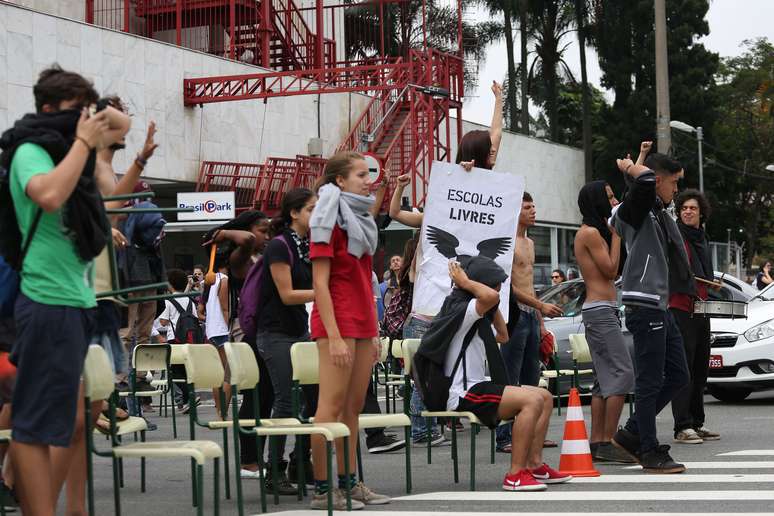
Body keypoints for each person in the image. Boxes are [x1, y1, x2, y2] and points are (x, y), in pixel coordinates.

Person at [3, 65, 129, 516]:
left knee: (72, 423)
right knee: (34, 426)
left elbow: (122, 124)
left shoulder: (69, 151)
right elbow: (49, 196)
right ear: (48, 109)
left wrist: (95, 120)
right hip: (47, 300)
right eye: (76, 110)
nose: (86, 119)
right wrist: (81, 140)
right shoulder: (30, 150)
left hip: (73, 305)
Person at [385, 81, 506, 445]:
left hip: (458, 303)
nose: (496, 154)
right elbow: (396, 214)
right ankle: (423, 428)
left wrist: (499, 101)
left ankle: (442, 422)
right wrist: (399, 187)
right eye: (490, 152)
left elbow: (495, 136)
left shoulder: (486, 190)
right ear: (479, 155)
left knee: (446, 364)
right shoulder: (443, 199)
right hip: (432, 304)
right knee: (428, 367)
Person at [417, 257, 571, 491]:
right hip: (462, 393)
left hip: (478, 386)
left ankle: (534, 464)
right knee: (531, 401)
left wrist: (492, 305)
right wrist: (466, 282)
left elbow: (503, 335)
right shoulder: (461, 308)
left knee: (545, 397)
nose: (499, 288)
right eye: (495, 284)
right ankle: (515, 475)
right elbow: (490, 297)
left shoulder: (476, 314)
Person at [308, 151, 389, 510]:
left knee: (353, 408)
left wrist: (372, 333)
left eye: (367, 174)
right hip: (335, 323)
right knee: (330, 407)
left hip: (360, 320)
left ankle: (351, 483)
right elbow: (320, 284)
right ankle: (323, 489)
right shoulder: (326, 220)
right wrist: (335, 334)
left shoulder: (359, 220)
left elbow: (364, 281)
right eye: (360, 174)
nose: (366, 180)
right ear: (340, 180)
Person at [610, 152, 691, 473]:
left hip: (660, 302)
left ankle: (632, 433)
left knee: (679, 375)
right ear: (658, 181)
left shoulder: (655, 210)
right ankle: (648, 449)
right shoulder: (638, 206)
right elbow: (642, 181)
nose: (676, 189)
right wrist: (630, 166)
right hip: (643, 303)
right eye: (674, 182)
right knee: (649, 381)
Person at [254, 188, 318, 494]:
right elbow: (287, 294)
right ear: (294, 213)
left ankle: (300, 462)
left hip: (298, 329)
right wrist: (324, 293)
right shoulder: (279, 247)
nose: (316, 214)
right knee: (284, 400)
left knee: (314, 396)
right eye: (310, 209)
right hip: (275, 332)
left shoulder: (307, 245)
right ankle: (274, 470)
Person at [496, 192, 563, 453]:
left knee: (531, 378)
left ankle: (532, 433)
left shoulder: (530, 243)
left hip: (530, 316)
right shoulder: (506, 242)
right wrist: (541, 306)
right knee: (510, 379)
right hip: (513, 316)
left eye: (534, 205)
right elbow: (508, 288)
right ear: (516, 210)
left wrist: (541, 321)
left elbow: (530, 285)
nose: (533, 210)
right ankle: (504, 436)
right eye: (527, 207)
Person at [574, 180, 635, 463]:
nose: (613, 202)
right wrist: (616, 235)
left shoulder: (589, 232)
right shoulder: (590, 234)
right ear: (597, 201)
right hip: (600, 309)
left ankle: (598, 442)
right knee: (623, 373)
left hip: (601, 309)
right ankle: (610, 441)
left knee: (602, 380)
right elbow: (611, 270)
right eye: (609, 197)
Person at [670, 189, 720, 444]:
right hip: (680, 307)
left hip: (701, 307)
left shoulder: (701, 237)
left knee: (701, 367)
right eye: (684, 208)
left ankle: (696, 422)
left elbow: (705, 276)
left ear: (702, 212)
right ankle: (682, 425)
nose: (687, 211)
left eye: (693, 208)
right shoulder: (676, 235)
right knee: (684, 367)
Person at [199, 251, 231, 419]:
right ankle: (223, 413)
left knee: (217, 375)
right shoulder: (224, 280)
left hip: (211, 331)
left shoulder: (208, 280)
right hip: (223, 330)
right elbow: (226, 309)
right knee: (229, 374)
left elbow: (201, 309)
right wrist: (230, 329)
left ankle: (219, 412)